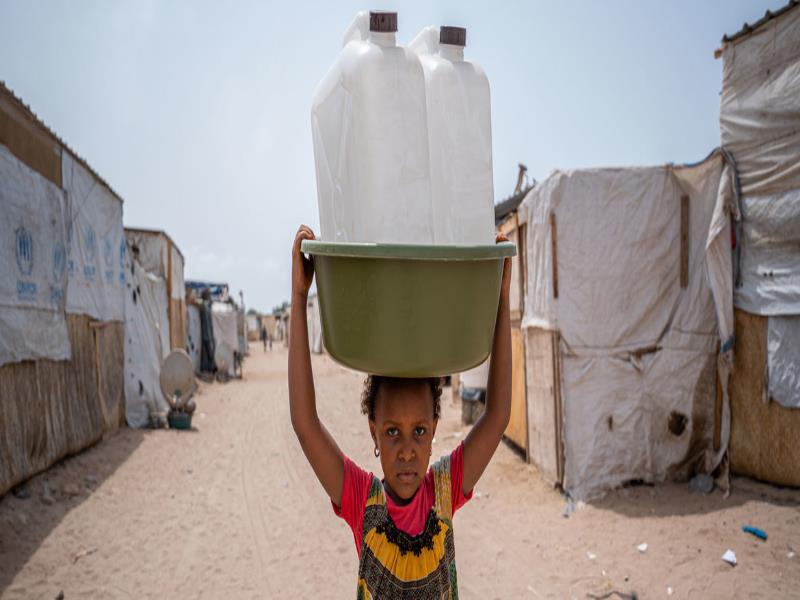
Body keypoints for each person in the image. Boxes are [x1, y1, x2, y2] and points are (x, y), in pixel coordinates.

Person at [288, 224, 512, 598]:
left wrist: (501, 296)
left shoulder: (445, 490)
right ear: (373, 431)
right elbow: (304, 423)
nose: (407, 449)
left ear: (435, 427)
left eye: (419, 431)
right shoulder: (362, 501)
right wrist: (299, 297)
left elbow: (499, 413)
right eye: (392, 432)